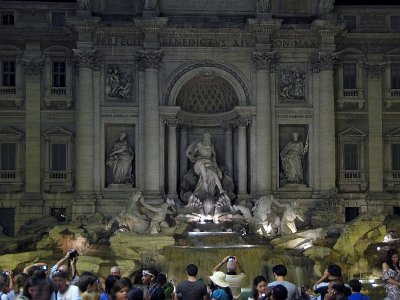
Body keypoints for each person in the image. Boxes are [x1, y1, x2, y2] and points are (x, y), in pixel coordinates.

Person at [186, 132, 225, 199]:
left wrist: (214, 162)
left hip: (209, 161)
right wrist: (192, 157)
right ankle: (207, 193)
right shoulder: (200, 144)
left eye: (208, 137)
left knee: (215, 175)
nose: (207, 138)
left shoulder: (211, 145)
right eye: (206, 137)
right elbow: (194, 152)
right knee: (205, 177)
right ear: (203, 137)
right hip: (201, 161)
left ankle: (221, 190)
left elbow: (214, 154)